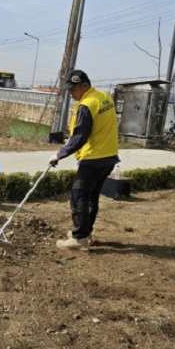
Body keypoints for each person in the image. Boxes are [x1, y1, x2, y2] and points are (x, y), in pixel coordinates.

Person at [49, 70, 119, 251]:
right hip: (109, 156)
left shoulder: (86, 105)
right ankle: (85, 232)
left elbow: (79, 136)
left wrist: (59, 154)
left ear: (84, 86)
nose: (71, 93)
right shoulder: (105, 97)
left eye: (73, 90)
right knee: (91, 197)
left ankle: (79, 238)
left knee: (79, 196)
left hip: (93, 157)